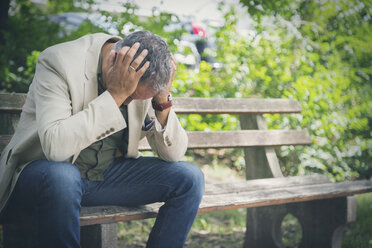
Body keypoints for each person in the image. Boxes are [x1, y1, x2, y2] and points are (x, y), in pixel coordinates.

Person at [0, 31, 205, 248]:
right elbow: (55, 148)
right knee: (63, 176)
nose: (129, 103)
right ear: (114, 61)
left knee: (190, 177)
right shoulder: (59, 61)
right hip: (44, 177)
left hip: (104, 177)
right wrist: (116, 94)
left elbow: (173, 154)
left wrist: (162, 100)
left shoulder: (143, 74)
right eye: (130, 97)